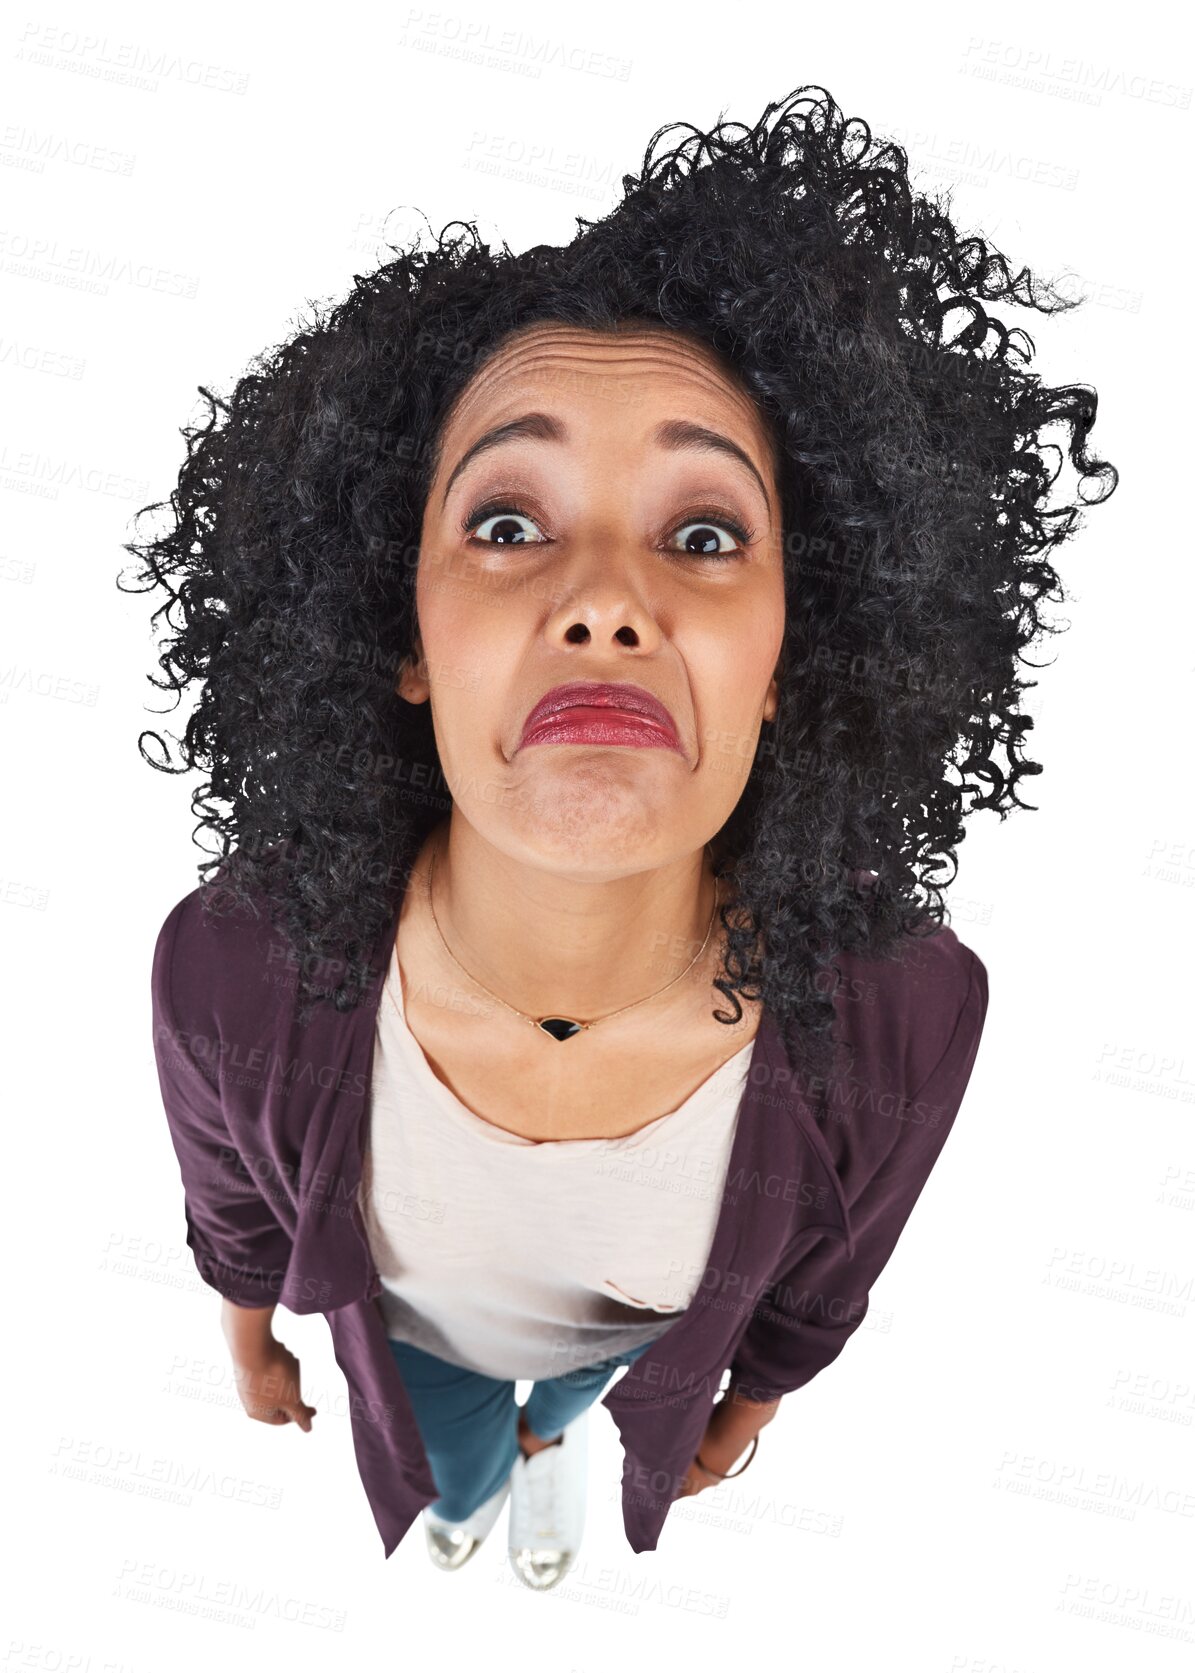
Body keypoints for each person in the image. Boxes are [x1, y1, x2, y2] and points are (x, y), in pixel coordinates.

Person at [128, 83, 1116, 1584]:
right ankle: (474, 1484)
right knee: (457, 1440)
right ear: (403, 631)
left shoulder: (906, 1012)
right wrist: (246, 1330)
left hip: (632, 1350)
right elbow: (232, 1187)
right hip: (421, 1347)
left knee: (566, 1404)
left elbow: (822, 1272)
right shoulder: (233, 963)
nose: (602, 598)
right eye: (510, 523)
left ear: (794, 653)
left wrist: (750, 1401)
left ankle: (551, 1454)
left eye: (703, 533)